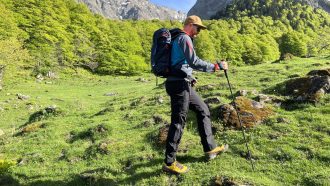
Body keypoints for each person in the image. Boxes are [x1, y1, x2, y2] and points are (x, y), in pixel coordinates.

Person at [162, 15, 229, 174]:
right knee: (178, 121)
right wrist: (216, 66)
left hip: (181, 82)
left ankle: (210, 148)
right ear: (191, 25)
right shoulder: (184, 38)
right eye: (198, 28)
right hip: (178, 85)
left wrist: (190, 77)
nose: (198, 32)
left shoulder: (176, 38)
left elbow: (178, 63)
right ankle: (169, 162)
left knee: (202, 109)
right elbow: (194, 61)